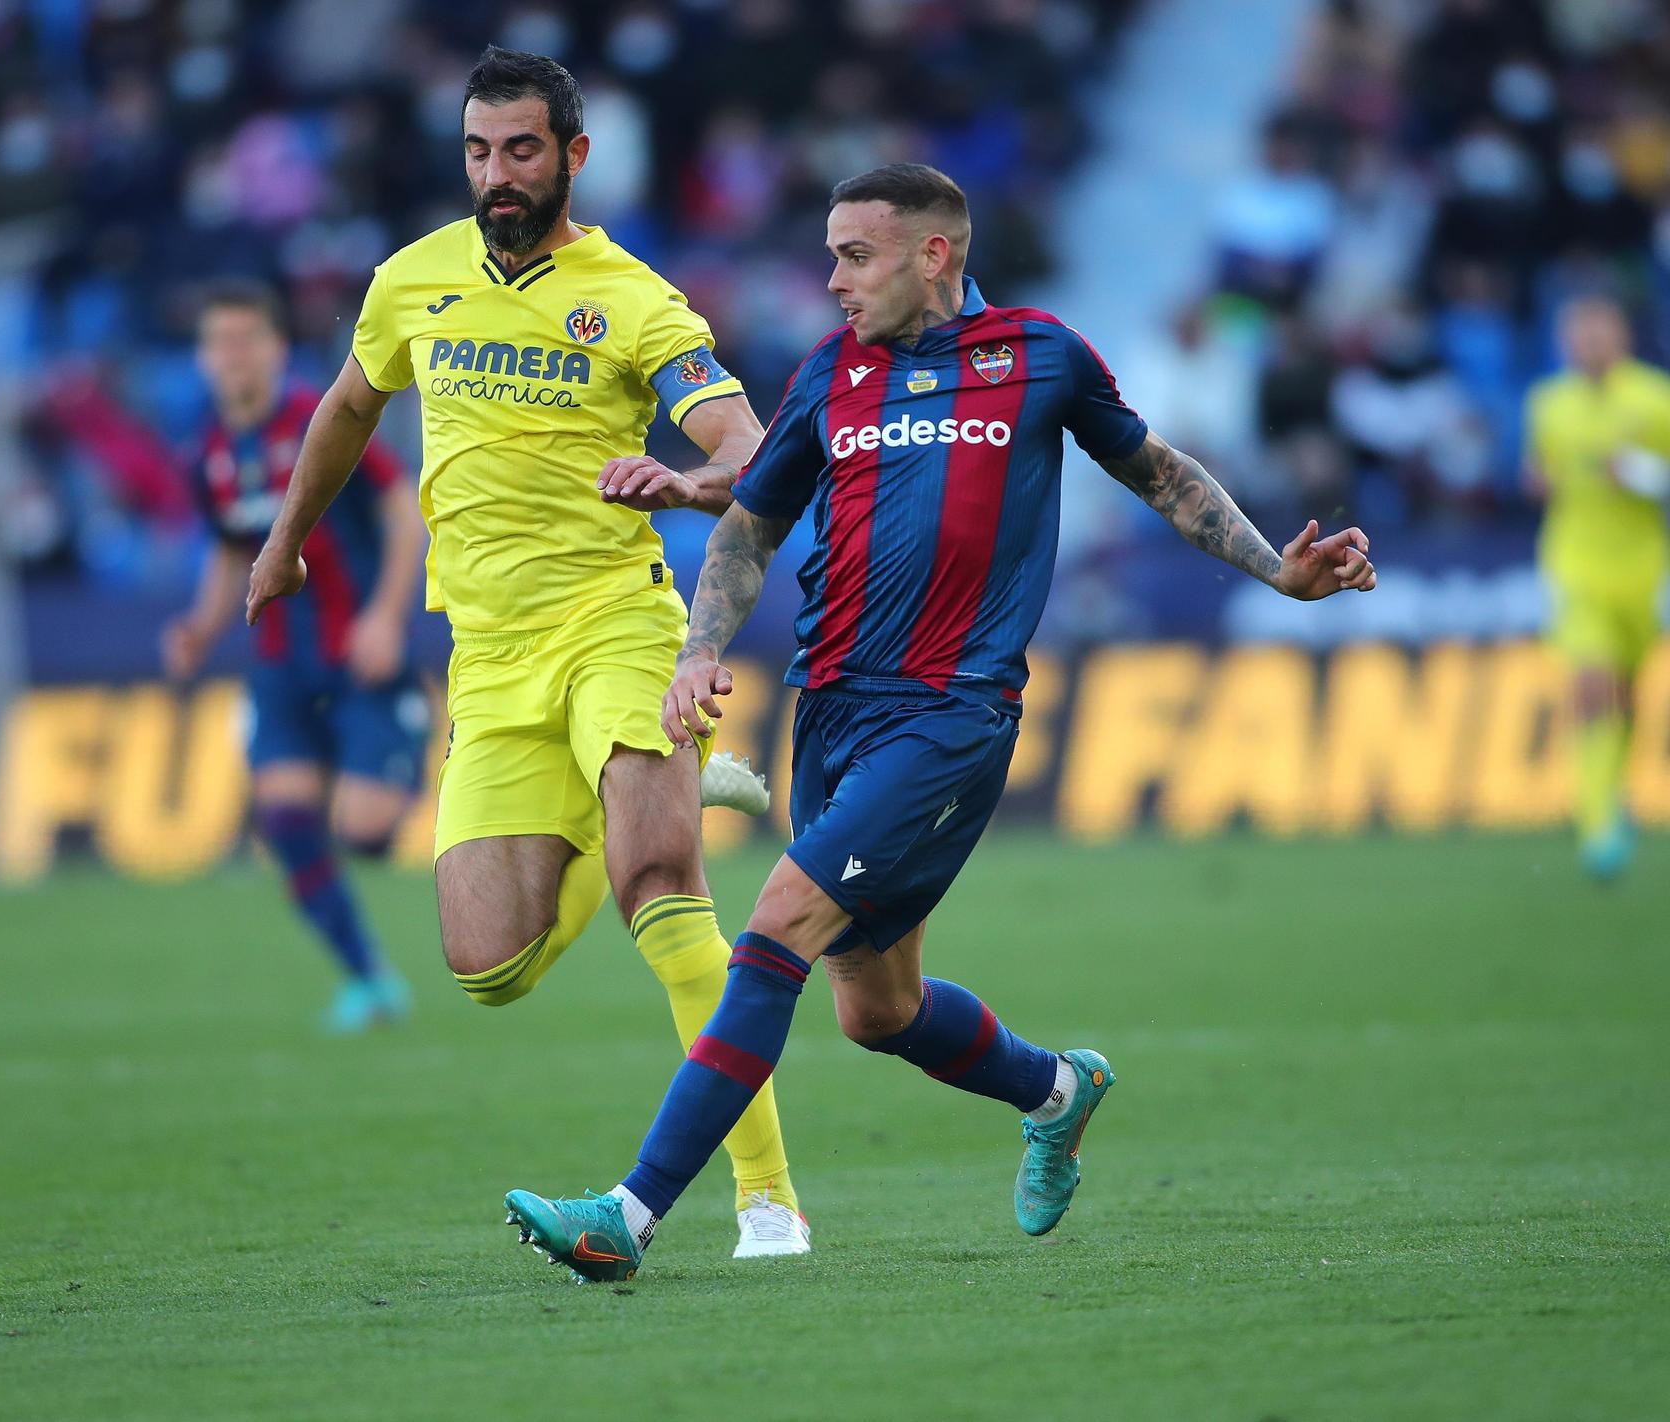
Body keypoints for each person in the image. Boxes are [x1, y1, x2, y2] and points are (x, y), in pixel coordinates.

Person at [503, 164, 1377, 1283]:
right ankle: (1055, 1089)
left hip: (951, 716)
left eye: (853, 256)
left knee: (774, 926)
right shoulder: (829, 373)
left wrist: (1275, 571)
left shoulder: (1040, 358)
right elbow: (751, 524)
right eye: (829, 255)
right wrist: (701, 645)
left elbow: (1161, 475)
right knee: (877, 1010)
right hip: (831, 710)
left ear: (933, 255)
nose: (832, 280)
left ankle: (626, 1216)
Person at [244, 49, 807, 1257]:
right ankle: (638, 801)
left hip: (614, 620)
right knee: (485, 967)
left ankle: (767, 1202)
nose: (496, 174)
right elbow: (346, 409)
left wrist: (686, 482)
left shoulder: (637, 300)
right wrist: (282, 545)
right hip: (488, 654)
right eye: (477, 151)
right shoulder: (411, 282)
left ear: (573, 156)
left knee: (664, 892)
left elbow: (751, 448)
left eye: (520, 150)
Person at [163, 282, 427, 1033]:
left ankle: (416, 742)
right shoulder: (209, 455)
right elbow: (230, 552)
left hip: (358, 656)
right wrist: (200, 627)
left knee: (366, 832)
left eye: (247, 338)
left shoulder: (327, 420)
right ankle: (369, 978)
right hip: (280, 662)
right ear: (203, 357)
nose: (233, 355)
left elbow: (403, 514)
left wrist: (385, 617)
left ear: (277, 348)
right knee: (285, 820)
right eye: (219, 341)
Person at [1524, 296, 1670, 879]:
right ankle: (1596, 822)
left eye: (1597, 334)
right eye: (1578, 337)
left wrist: (1636, 472)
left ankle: (1614, 790)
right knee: (1591, 681)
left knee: (1625, 691)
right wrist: (1540, 481)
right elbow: (1536, 471)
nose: (1587, 346)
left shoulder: (1654, 398)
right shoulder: (1548, 403)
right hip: (1574, 561)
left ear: (1621, 337)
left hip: (1641, 566)